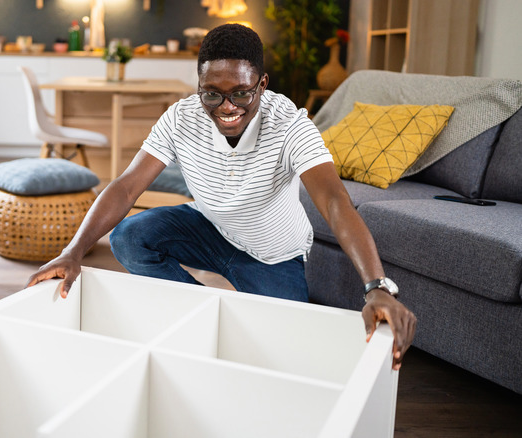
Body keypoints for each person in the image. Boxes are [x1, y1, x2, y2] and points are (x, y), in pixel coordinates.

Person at [28, 24, 416, 370]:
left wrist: (377, 287)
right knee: (129, 238)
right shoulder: (181, 118)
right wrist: (73, 251)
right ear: (198, 85)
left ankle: (225, 319)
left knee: (279, 350)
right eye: (212, 94)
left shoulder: (291, 124)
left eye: (241, 93)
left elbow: (334, 202)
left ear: (262, 84)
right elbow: (127, 186)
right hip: (210, 229)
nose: (227, 107)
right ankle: (203, 313)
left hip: (273, 256)